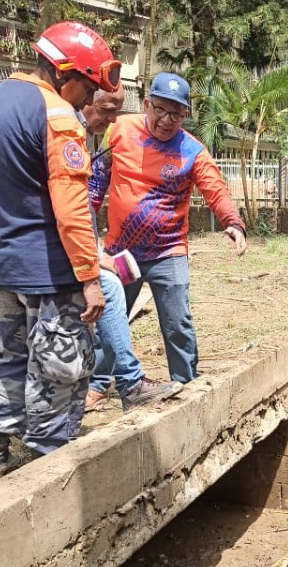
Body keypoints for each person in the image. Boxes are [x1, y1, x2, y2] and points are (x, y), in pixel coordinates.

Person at [0, 85, 177, 442]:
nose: (109, 120)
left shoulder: (0, 115)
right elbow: (69, 206)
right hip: (43, 256)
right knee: (46, 340)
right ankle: (121, 390)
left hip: (8, 252)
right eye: (105, 109)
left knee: (4, 337)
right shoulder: (60, 123)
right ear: (82, 96)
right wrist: (89, 265)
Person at [0, 21, 115, 484]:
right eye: (87, 88)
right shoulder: (57, 114)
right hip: (51, 270)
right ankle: (48, 473)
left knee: (10, 357)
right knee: (61, 369)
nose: (88, 101)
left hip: (3, 265)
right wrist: (90, 277)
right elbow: (72, 207)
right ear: (66, 74)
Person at [88, 72, 248, 390]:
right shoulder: (118, 131)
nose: (166, 119)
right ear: (147, 104)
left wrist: (233, 222)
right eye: (159, 109)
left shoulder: (192, 151)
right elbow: (97, 180)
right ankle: (97, 384)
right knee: (110, 320)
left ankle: (186, 385)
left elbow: (215, 188)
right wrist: (85, 231)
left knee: (178, 324)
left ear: (185, 114)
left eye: (175, 113)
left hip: (168, 252)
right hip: (120, 252)